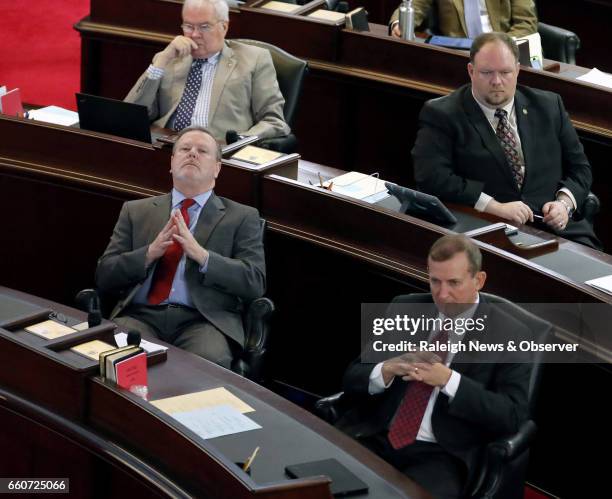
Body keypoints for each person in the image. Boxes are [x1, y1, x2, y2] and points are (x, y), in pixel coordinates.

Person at [339, 235, 531, 498]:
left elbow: (512, 416)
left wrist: (449, 380)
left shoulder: (510, 334)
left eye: (454, 283)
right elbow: (352, 378)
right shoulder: (404, 308)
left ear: (479, 280)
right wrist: (386, 369)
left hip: (442, 455)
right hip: (376, 434)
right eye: (435, 281)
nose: (442, 294)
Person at [96, 126, 266, 368]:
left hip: (203, 322)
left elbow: (254, 282)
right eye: (185, 149)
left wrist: (203, 256)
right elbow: (105, 275)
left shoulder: (241, 217)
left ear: (217, 168)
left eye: (202, 151)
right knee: (115, 354)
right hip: (141, 316)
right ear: (172, 162)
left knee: (208, 365)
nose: (192, 154)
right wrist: (149, 253)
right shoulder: (136, 211)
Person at [412, 32, 600, 249]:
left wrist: (563, 204)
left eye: (505, 72)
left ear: (518, 70)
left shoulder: (549, 106)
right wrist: (494, 207)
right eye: (487, 73)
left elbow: (580, 169)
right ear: (471, 71)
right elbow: (431, 177)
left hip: (560, 231)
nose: (497, 81)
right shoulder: (442, 114)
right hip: (486, 228)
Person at [125, 0, 290, 141]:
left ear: (224, 27)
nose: (195, 34)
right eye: (188, 26)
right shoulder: (169, 58)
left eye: (204, 27)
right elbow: (130, 115)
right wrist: (160, 62)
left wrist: (240, 142)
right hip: (166, 146)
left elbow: (274, 121)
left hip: (219, 154)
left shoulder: (254, 59)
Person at [390, 0, 537, 39]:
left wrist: (499, 46)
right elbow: (415, 5)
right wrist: (398, 24)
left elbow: (526, 22)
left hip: (505, 48)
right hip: (461, 54)